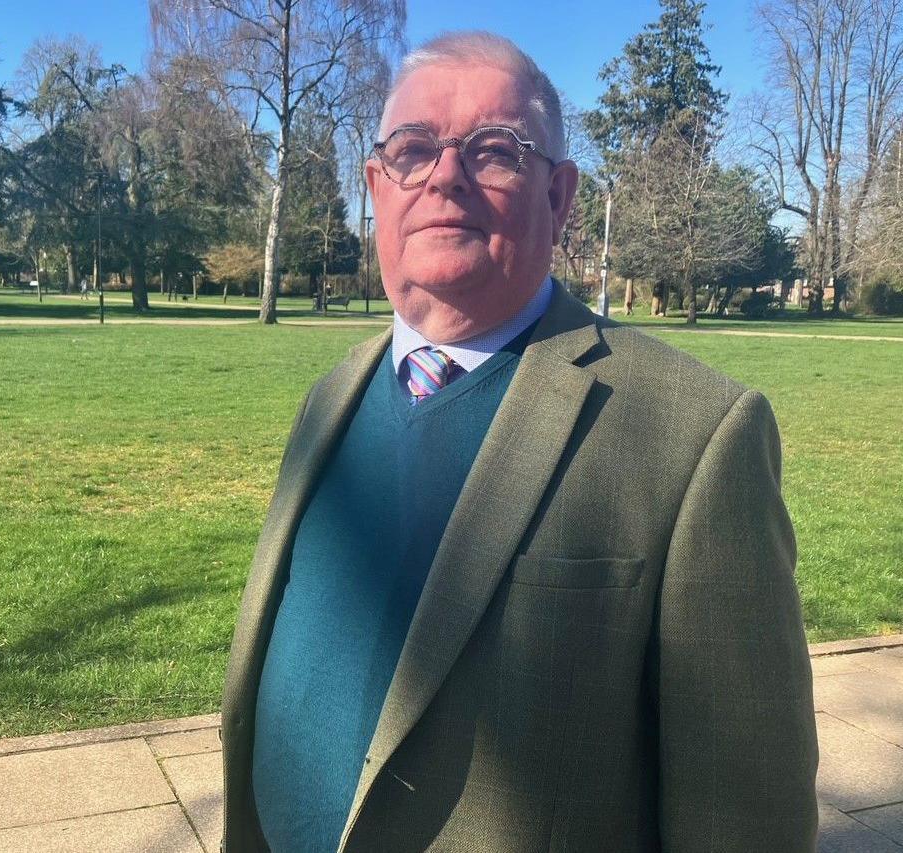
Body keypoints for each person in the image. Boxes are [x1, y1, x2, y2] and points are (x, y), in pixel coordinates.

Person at [221, 31, 817, 853]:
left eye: (495, 150)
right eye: (413, 149)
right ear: (376, 186)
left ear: (560, 196)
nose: (446, 176)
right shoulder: (329, 400)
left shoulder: (699, 434)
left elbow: (746, 817)